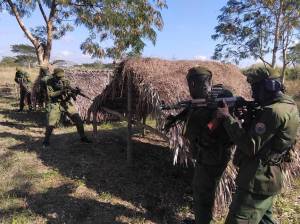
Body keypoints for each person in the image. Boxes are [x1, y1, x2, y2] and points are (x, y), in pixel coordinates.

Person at [216, 67, 300, 224]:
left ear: (269, 86)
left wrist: (228, 118)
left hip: (256, 181)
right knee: (265, 220)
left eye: (255, 88)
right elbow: (270, 139)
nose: (253, 94)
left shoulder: (273, 112)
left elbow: (249, 146)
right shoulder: (289, 106)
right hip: (269, 178)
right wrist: (248, 119)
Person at [164, 66, 234, 224]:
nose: (191, 87)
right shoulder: (206, 102)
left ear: (194, 84)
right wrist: (177, 117)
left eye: (192, 83)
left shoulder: (217, 103)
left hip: (212, 156)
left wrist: (208, 117)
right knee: (202, 191)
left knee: (202, 193)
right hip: (210, 155)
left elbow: (201, 131)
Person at [42, 68, 92, 147]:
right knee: (50, 123)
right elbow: (50, 95)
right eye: (58, 77)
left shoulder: (66, 81)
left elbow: (70, 93)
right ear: (54, 76)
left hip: (66, 103)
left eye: (62, 77)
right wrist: (61, 91)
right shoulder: (49, 82)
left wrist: (74, 93)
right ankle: (46, 140)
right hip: (55, 104)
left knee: (78, 120)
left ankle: (83, 137)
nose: (61, 79)